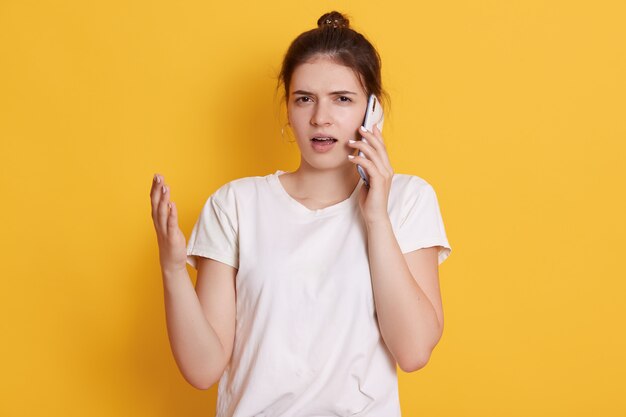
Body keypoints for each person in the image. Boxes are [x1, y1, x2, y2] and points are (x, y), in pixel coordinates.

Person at [149, 10, 452, 416]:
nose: (320, 117)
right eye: (304, 98)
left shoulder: (408, 200)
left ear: (373, 110)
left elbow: (414, 351)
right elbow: (203, 369)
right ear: (288, 108)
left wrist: (376, 216)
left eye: (342, 99)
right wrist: (172, 270)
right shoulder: (236, 205)